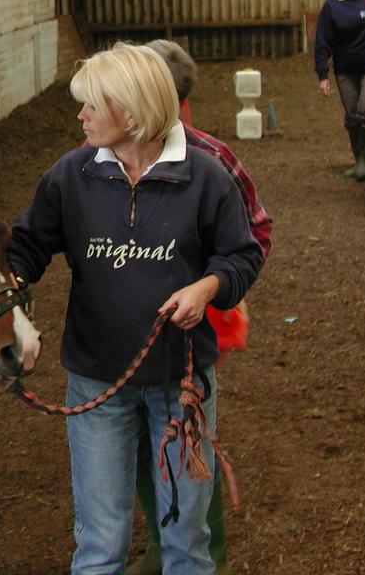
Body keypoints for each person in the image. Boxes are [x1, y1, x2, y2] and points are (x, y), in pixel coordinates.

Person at [8, 43, 264, 575]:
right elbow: (28, 245)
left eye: (91, 105)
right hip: (97, 385)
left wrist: (208, 287)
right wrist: (3, 283)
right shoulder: (70, 175)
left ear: (132, 108)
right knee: (100, 545)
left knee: (187, 542)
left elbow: (241, 255)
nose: (80, 115)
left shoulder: (206, 176)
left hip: (182, 385)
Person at [128, 39, 273, 575]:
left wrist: (213, 282)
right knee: (146, 436)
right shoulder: (103, 154)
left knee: (188, 429)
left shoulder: (209, 157)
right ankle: (161, 538)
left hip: (194, 313)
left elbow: (256, 228)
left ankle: (198, 549)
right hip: (132, 315)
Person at [314, 0, 365, 182]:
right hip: (345, 70)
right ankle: (359, 158)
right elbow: (322, 41)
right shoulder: (332, 6)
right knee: (352, 114)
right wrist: (323, 74)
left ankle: (364, 161)